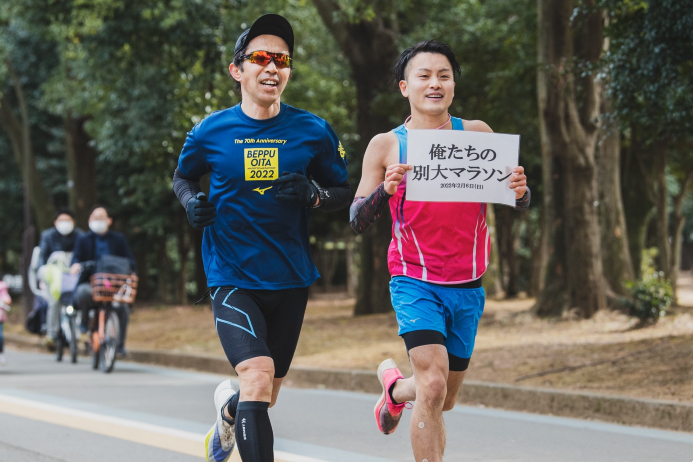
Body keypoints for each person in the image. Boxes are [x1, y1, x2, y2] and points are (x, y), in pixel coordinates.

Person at [173, 13, 350, 462]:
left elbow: (346, 193)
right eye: (261, 58)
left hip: (289, 275)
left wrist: (314, 195)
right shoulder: (210, 130)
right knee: (256, 375)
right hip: (231, 273)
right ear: (238, 70)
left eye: (282, 60)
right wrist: (191, 202)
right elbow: (183, 177)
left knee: (264, 394)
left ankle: (229, 412)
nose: (273, 67)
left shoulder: (313, 130)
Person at [349, 40, 530, 462]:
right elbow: (357, 218)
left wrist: (520, 191)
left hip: (468, 284)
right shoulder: (386, 145)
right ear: (404, 87)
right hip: (415, 281)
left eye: (444, 76)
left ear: (453, 85)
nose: (435, 83)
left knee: (443, 396)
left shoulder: (479, 135)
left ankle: (394, 390)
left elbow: (517, 203)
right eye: (424, 76)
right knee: (432, 386)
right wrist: (384, 189)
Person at [70, 205, 136, 356]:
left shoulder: (118, 239)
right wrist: (75, 265)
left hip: (114, 284)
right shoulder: (83, 239)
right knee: (83, 293)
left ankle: (119, 345)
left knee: (123, 308)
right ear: (89, 221)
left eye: (101, 218)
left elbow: (130, 260)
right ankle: (85, 323)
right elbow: (76, 258)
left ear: (109, 220)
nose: (98, 221)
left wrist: (132, 273)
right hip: (90, 281)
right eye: (95, 218)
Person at [38, 208, 83, 346]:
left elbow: (82, 256)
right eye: (61, 220)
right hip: (54, 276)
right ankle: (52, 333)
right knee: (54, 301)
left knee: (79, 298)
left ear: (73, 222)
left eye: (67, 220)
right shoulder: (48, 236)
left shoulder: (80, 236)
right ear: (55, 222)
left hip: (73, 274)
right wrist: (42, 278)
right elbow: (42, 258)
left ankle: (79, 330)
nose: (64, 223)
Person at [0, 280, 11, 366]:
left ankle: (1, 353)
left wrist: (4, 301)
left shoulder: (2, 286)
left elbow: (7, 299)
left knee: (0, 336)